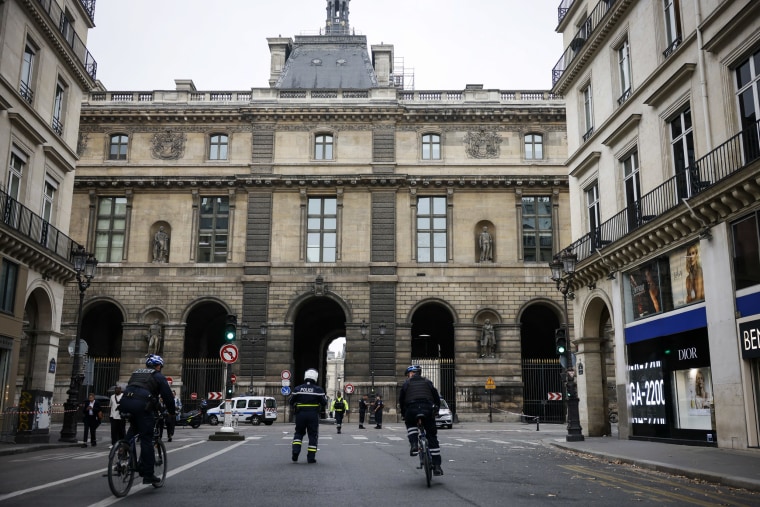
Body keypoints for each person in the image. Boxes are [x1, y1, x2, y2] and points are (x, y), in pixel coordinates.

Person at [119, 354, 175, 484]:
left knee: (134, 427)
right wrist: (171, 412)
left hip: (125, 403)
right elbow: (167, 396)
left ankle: (124, 447)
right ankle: (148, 474)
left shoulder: (136, 373)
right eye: (160, 366)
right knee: (146, 437)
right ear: (158, 365)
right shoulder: (158, 376)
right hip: (141, 405)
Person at [399, 365, 443, 476]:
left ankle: (414, 444)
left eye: (408, 374)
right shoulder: (428, 382)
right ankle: (437, 466)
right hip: (427, 409)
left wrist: (404, 413)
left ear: (411, 373)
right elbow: (436, 397)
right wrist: (436, 409)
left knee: (410, 423)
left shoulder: (406, 384)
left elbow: (402, 400)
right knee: (432, 436)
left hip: (412, 408)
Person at [290, 368, 327, 464]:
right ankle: (311, 458)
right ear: (315, 378)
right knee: (312, 435)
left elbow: (291, 401)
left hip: (300, 414)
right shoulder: (318, 390)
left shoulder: (298, 389)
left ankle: (295, 451)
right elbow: (324, 403)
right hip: (313, 415)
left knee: (298, 433)